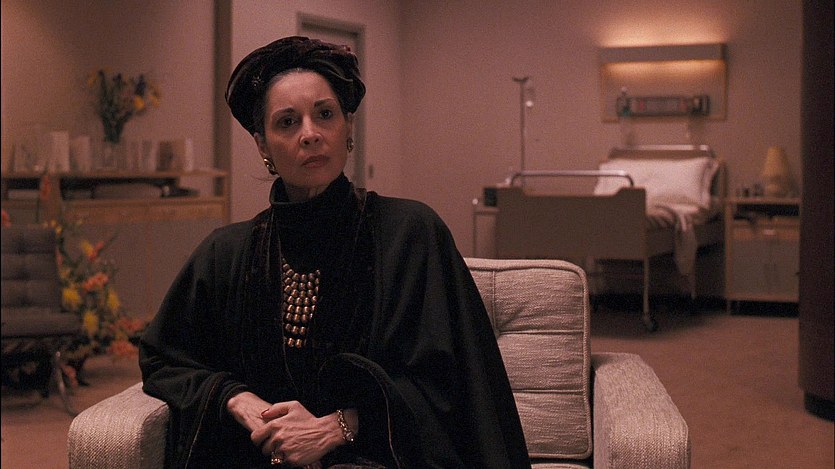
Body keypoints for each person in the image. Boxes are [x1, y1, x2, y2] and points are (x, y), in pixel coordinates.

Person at [139, 36, 530, 469]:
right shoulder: (226, 253)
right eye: (287, 122)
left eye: (324, 115)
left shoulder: (410, 234)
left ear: (348, 127)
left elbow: (451, 385)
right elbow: (165, 357)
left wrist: (336, 428)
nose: (310, 134)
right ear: (263, 146)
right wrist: (236, 398)